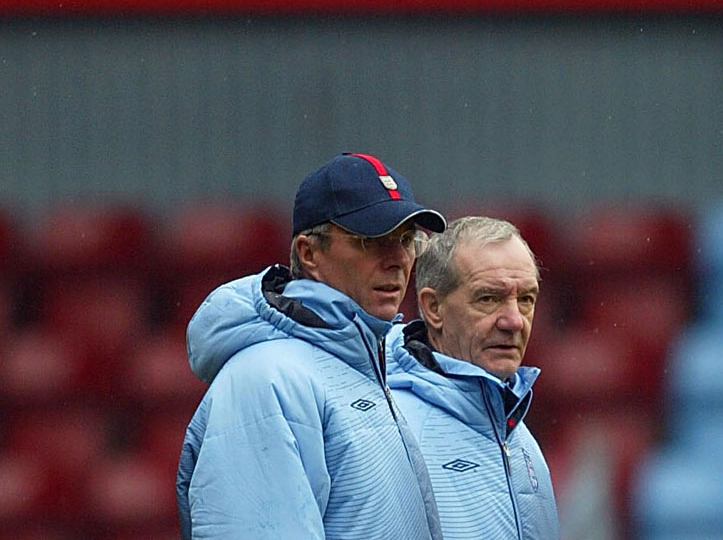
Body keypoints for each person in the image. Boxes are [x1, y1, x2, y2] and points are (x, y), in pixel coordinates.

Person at [177, 152, 447, 540]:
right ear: (309, 253)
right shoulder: (266, 381)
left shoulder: (373, 367)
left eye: (406, 240)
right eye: (371, 240)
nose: (398, 260)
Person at [385, 216, 559, 539]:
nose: (514, 321)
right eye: (488, 298)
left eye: (526, 300)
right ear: (433, 307)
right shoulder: (393, 432)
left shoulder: (521, 439)